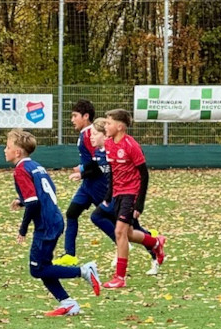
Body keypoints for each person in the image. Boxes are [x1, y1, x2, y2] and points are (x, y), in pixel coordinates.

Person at [4, 128, 101, 316]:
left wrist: (23, 229)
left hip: (46, 225)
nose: (4, 150)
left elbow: (33, 203)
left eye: (7, 147)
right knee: (42, 266)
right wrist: (22, 201)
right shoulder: (36, 166)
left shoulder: (20, 170)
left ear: (17, 152)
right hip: (54, 219)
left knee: (37, 268)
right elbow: (47, 191)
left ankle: (84, 271)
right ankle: (68, 303)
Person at [54, 106, 159, 276]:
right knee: (77, 214)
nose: (92, 137)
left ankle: (145, 250)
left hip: (115, 192)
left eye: (96, 134)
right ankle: (70, 254)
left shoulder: (126, 145)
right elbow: (100, 168)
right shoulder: (104, 148)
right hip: (105, 192)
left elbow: (141, 174)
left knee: (127, 229)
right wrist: (83, 173)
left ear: (107, 132)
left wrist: (138, 202)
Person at [100, 109, 166, 289]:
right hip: (118, 194)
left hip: (131, 193)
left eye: (109, 123)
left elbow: (144, 175)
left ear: (120, 126)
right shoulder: (108, 143)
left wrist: (139, 204)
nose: (106, 126)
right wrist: (108, 194)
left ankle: (120, 277)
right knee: (128, 234)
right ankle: (155, 242)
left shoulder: (131, 146)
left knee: (120, 232)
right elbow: (113, 171)